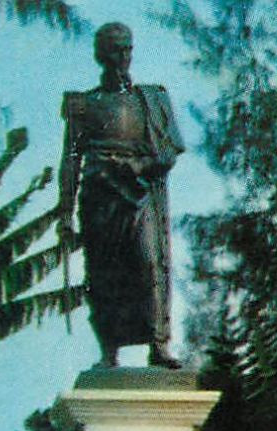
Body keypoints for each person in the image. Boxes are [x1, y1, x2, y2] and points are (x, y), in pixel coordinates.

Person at [59, 22, 184, 369]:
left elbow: (170, 152)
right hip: (100, 198)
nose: (124, 57)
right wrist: (64, 215)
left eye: (128, 49)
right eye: (116, 50)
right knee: (104, 273)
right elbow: (69, 162)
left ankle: (159, 345)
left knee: (148, 265)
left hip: (141, 194)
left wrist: (141, 168)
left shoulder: (152, 100)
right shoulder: (82, 105)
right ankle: (108, 351)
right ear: (101, 55)